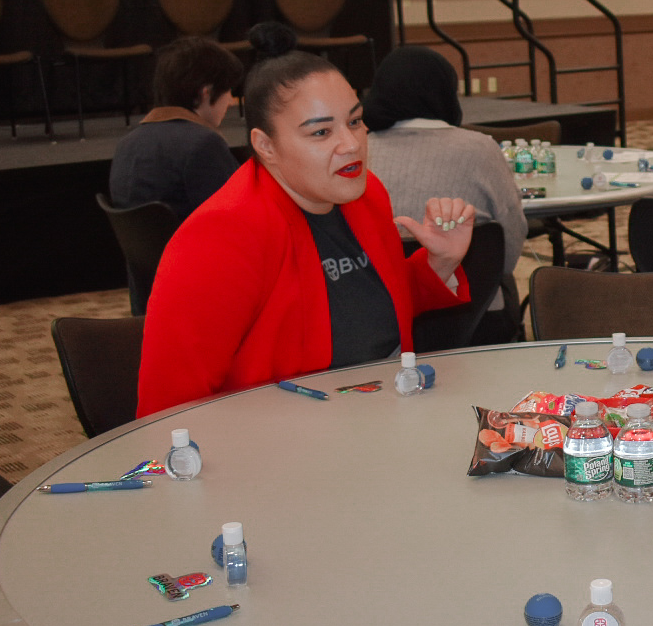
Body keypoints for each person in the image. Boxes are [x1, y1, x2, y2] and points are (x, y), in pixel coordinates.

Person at [137, 24, 474, 417]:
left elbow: (367, 305)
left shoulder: (365, 194)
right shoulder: (223, 234)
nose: (351, 145)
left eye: (354, 121)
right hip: (279, 445)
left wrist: (441, 262)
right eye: (321, 132)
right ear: (266, 146)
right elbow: (169, 406)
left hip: (382, 414)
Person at [363, 46, 528, 337]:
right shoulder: (480, 148)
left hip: (377, 317)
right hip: (475, 316)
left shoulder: (357, 151)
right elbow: (510, 244)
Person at [108, 36, 242, 219]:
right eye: (228, 91)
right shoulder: (203, 144)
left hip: (151, 247)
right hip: (195, 246)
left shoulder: (127, 144)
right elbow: (238, 216)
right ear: (206, 93)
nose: (230, 101)